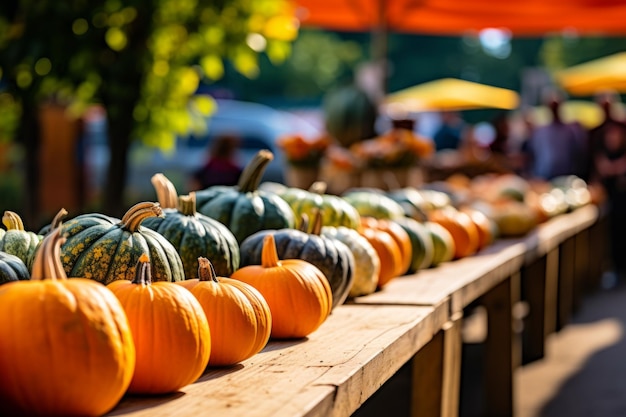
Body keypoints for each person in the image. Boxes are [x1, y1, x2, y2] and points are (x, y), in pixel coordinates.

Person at [588, 92, 626, 284]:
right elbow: (595, 159)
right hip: (610, 190)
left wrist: (618, 167)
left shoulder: (622, 125)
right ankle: (617, 268)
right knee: (613, 231)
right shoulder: (597, 132)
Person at [525, 89, 588, 181]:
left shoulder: (571, 130)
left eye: (556, 105)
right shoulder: (540, 132)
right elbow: (532, 154)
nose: (554, 109)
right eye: (552, 106)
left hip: (567, 176)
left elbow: (579, 153)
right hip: (544, 178)